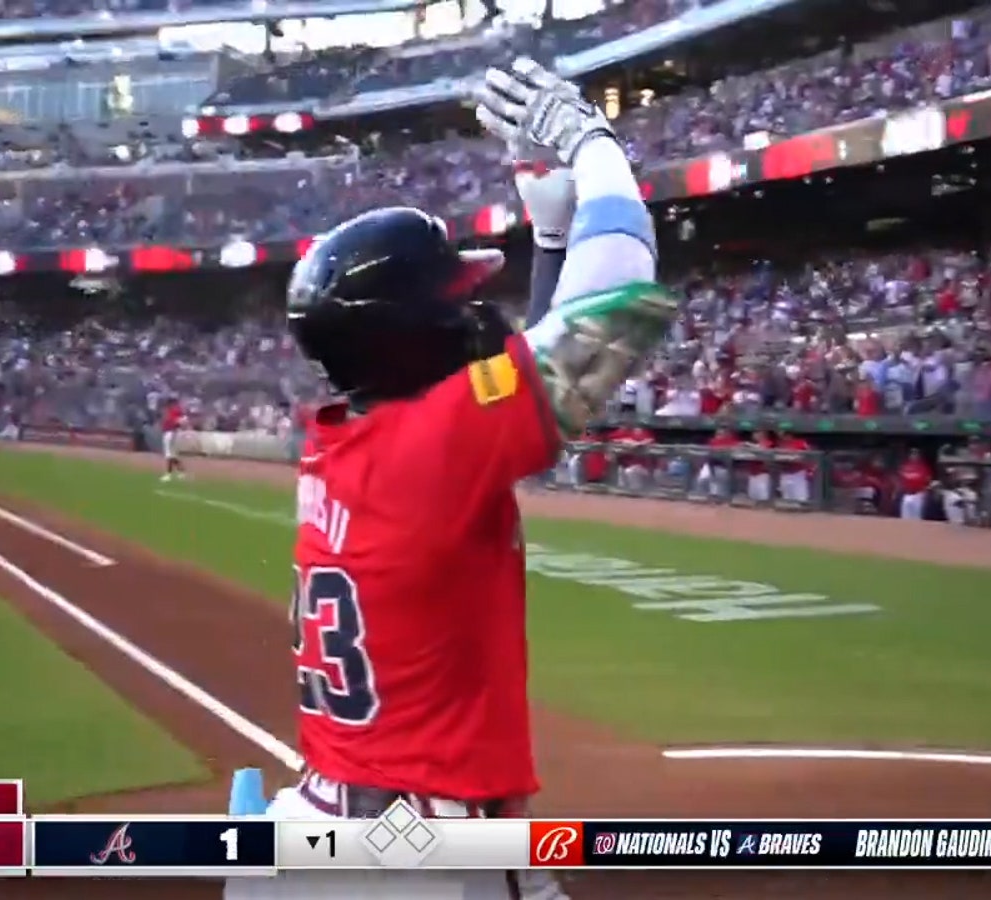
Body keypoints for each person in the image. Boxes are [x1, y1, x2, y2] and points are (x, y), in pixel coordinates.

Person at [232, 57, 675, 900]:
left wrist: (550, 239)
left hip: (315, 831)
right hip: (426, 853)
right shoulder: (433, 446)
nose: (476, 307)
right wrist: (595, 145)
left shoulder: (348, 443)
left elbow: (523, 370)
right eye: (458, 296)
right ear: (413, 332)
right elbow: (615, 303)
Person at [896, 447, 933, 520]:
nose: (913, 455)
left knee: (917, 519)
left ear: (919, 455)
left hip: (918, 495)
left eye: (915, 453)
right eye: (912, 453)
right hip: (907, 494)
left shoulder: (923, 467)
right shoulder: (904, 466)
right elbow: (900, 480)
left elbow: (928, 480)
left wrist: (925, 491)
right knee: (905, 518)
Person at [160, 397, 187, 482]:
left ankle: (168, 474)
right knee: (172, 454)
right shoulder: (174, 411)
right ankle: (181, 472)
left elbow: (180, 421)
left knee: (169, 454)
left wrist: (177, 424)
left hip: (171, 433)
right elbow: (183, 420)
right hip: (171, 432)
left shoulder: (174, 411)